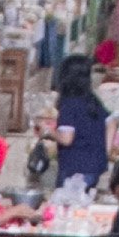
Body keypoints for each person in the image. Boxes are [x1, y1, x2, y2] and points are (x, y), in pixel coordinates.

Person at [50, 57, 111, 192]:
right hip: (96, 165)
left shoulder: (69, 103)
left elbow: (66, 139)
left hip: (75, 168)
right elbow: (112, 121)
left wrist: (48, 132)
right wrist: (106, 150)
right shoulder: (93, 101)